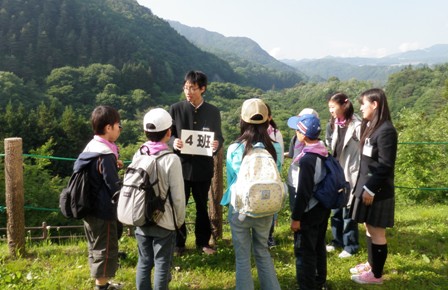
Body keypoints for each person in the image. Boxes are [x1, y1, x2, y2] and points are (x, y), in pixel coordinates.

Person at [221, 98, 282, 290]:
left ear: (242, 120)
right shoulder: (277, 148)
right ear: (267, 121)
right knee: (262, 251)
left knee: (242, 258)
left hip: (240, 210)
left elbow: (232, 181)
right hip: (265, 208)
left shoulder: (234, 149)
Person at [169, 70, 224, 255]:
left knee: (202, 206)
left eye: (192, 88)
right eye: (186, 87)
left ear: (202, 89)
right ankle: (178, 243)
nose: (188, 91)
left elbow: (219, 138)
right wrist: (172, 142)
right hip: (180, 167)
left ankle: (203, 242)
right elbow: (169, 135)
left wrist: (216, 145)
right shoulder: (176, 109)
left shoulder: (213, 111)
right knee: (179, 205)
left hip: (202, 168)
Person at [134, 108, 186, 290]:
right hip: (164, 221)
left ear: (145, 132)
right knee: (162, 264)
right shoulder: (171, 159)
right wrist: (178, 221)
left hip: (140, 219)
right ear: (169, 132)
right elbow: (178, 196)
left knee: (144, 262)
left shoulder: (139, 153)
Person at [350, 88, 397, 285]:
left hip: (377, 191)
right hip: (366, 186)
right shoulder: (371, 126)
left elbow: (385, 165)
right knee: (369, 228)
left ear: (375, 104)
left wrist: (370, 189)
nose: (360, 107)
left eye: (364, 103)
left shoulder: (386, 131)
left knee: (377, 232)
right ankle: (371, 264)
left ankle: (376, 276)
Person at [76, 105, 123, 290]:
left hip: (88, 207)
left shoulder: (91, 148)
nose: (120, 129)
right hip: (103, 209)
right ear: (108, 128)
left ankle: (101, 282)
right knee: (106, 248)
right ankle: (101, 286)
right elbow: (112, 185)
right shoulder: (105, 154)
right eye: (118, 125)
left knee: (94, 245)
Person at [288, 113, 331, 290]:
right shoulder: (323, 151)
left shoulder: (307, 160)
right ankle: (319, 281)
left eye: (297, 130)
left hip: (309, 210)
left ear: (303, 135)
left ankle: (307, 285)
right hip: (322, 207)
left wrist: (296, 217)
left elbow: (303, 192)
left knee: (304, 252)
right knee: (319, 245)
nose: (296, 132)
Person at [326, 93, 362, 258]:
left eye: (333, 107)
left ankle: (351, 246)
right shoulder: (334, 123)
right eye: (329, 108)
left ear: (343, 105)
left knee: (348, 211)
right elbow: (331, 144)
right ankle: (337, 241)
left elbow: (365, 151)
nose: (331, 111)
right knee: (336, 210)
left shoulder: (357, 125)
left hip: (350, 172)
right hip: (336, 172)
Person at [285, 108, 319, 211]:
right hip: (293, 180)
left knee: (307, 211)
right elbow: (291, 154)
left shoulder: (316, 146)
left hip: (308, 182)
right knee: (295, 209)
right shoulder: (295, 138)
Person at [266, 103, 284, 248]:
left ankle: (269, 235)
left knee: (270, 206)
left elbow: (280, 159)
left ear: (269, 117)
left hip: (272, 176)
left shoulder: (276, 133)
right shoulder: (249, 132)